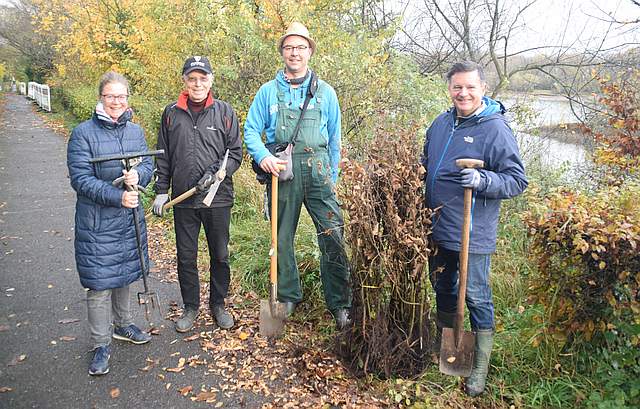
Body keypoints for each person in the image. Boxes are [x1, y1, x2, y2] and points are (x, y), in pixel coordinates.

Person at [421, 61, 528, 396]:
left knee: (478, 297)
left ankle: (478, 367)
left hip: (472, 231)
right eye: (457, 87)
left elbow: (517, 179)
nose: (463, 93)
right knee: (442, 285)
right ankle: (449, 348)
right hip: (437, 226)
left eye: (469, 87)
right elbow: (427, 161)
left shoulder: (494, 128)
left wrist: (484, 179)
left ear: (482, 88)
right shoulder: (441, 123)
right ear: (449, 88)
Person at [244, 22, 351, 329]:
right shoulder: (268, 91)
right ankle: (288, 295)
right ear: (282, 52)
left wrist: (333, 176)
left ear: (310, 51)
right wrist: (263, 157)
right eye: (289, 47)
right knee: (282, 236)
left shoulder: (326, 92)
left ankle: (340, 302)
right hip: (283, 170)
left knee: (333, 235)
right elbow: (251, 129)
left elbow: (335, 138)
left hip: (319, 171)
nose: (294, 52)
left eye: (300, 47)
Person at [67, 71, 153, 376]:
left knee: (124, 273)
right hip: (98, 222)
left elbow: (147, 163)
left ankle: (124, 324)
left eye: (121, 96)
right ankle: (101, 343)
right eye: (110, 96)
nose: (116, 101)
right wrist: (117, 197)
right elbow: (81, 179)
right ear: (100, 98)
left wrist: (138, 176)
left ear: (128, 98)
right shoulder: (83, 134)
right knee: (100, 283)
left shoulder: (135, 132)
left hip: (128, 219)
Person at [152, 56, 242, 333]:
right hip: (183, 199)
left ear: (211, 80)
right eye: (192, 78)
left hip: (217, 198)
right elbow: (163, 156)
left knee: (220, 254)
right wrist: (160, 192)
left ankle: (218, 304)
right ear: (184, 81)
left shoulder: (225, 112)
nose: (198, 83)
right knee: (185, 256)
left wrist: (219, 171)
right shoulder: (170, 114)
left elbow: (235, 154)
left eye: (203, 78)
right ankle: (191, 306)